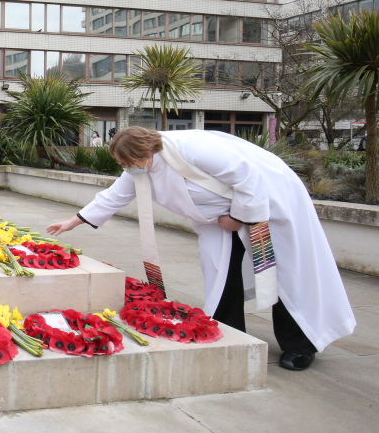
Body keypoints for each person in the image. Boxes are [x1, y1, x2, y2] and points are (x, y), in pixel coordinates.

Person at [46, 126, 355, 371]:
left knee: (283, 276)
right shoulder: (140, 167)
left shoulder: (195, 149)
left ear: (142, 153)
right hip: (218, 221)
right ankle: (229, 332)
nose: (127, 169)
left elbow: (250, 178)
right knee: (220, 275)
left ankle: (300, 344)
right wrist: (72, 222)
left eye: (128, 163)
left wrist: (236, 218)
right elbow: (114, 196)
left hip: (267, 210)